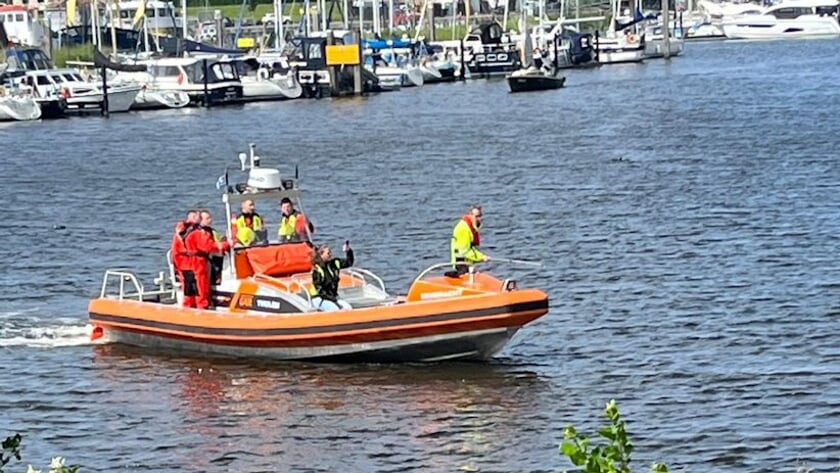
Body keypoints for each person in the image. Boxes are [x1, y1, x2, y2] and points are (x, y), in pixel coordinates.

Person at [183, 210, 232, 309]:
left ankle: (191, 305)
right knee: (201, 285)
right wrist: (226, 244)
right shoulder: (199, 233)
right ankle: (202, 305)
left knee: (192, 285)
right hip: (197, 261)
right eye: (207, 218)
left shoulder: (198, 231)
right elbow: (208, 246)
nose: (210, 220)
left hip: (192, 261)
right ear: (201, 220)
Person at [310, 241, 354, 311]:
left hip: (333, 296)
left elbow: (349, 262)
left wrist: (348, 251)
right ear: (321, 255)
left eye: (330, 252)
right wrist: (333, 300)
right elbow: (320, 290)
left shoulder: (335, 263)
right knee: (335, 309)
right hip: (319, 298)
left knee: (348, 308)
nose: (330, 254)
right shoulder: (317, 270)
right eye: (328, 253)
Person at [448, 204, 489, 277]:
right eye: (476, 217)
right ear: (470, 215)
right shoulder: (463, 229)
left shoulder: (471, 227)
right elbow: (465, 251)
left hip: (467, 262)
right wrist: (482, 257)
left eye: (480, 216)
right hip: (460, 262)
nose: (478, 219)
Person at [171, 210, 200, 300]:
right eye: (196, 217)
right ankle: (188, 304)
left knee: (193, 285)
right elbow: (181, 247)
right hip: (184, 263)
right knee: (189, 287)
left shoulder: (193, 229)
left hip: (190, 262)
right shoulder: (184, 229)